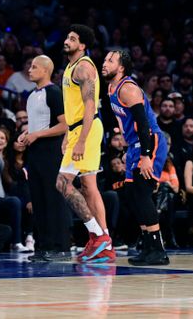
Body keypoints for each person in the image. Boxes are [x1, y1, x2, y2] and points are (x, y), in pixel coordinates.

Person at [103, 49, 170, 264]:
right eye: (105, 59)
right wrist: (128, 151)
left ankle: (158, 250)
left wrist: (146, 155)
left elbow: (143, 124)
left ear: (121, 67)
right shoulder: (111, 87)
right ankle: (148, 247)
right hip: (134, 145)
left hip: (150, 141)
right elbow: (125, 124)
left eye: (110, 60)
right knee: (131, 194)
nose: (104, 63)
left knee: (141, 193)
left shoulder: (128, 88)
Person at [56, 25, 113, 262]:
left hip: (86, 129)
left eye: (72, 38)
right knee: (89, 186)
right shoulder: (71, 66)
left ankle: (97, 234)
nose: (67, 40)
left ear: (83, 45)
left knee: (62, 184)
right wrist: (69, 133)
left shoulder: (83, 67)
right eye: (67, 36)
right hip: (78, 128)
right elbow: (75, 108)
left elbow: (90, 105)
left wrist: (80, 140)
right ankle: (105, 244)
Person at [18, 55, 71, 261]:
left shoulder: (54, 92)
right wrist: (27, 134)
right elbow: (37, 123)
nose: (29, 70)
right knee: (38, 199)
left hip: (50, 151)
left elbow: (64, 125)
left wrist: (37, 134)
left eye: (34, 67)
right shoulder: (32, 95)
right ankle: (43, 245)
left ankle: (60, 246)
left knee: (52, 198)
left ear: (45, 70)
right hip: (35, 152)